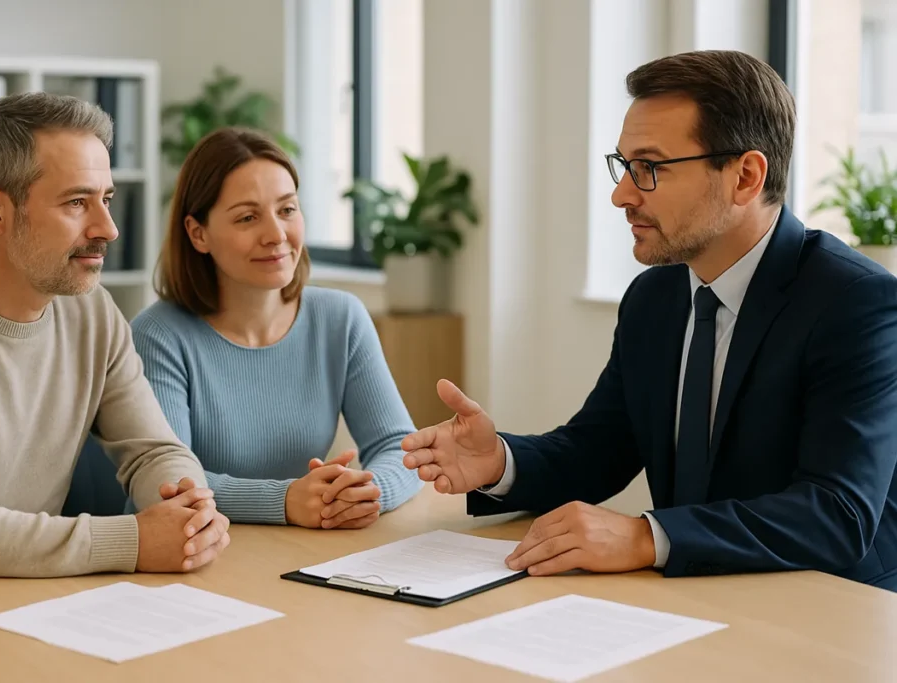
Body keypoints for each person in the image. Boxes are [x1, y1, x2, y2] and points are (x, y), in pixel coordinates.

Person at [402, 49, 897, 591]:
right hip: (695, 597)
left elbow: (836, 514)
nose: (621, 195)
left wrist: (645, 536)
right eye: (623, 166)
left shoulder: (856, 302)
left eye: (650, 169)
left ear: (745, 177)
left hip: (829, 608)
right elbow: (597, 452)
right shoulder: (654, 297)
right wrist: (499, 461)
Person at [0, 94, 233, 577]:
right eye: (77, 202)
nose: (108, 227)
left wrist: (189, 510)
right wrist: (132, 541)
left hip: (30, 595)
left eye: (105, 199)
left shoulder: (92, 310)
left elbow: (155, 451)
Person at [128, 127, 423, 530]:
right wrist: (284, 500)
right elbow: (169, 485)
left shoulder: (341, 318)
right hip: (186, 556)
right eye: (248, 217)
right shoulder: (158, 335)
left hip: (293, 551)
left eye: (287, 210)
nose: (276, 235)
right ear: (198, 233)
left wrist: (367, 493)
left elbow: (399, 447)